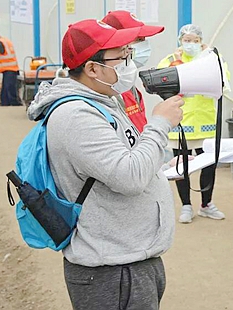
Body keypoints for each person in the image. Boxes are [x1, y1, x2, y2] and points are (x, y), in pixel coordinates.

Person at [25, 19, 184, 310]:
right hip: (112, 271)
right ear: (92, 68)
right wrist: (160, 123)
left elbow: (124, 160)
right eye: (121, 56)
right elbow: (129, 177)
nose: (128, 62)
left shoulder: (102, 100)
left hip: (129, 260)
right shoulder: (76, 116)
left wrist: (159, 167)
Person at [157, 24, 230, 223]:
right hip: (181, 122)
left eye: (195, 41)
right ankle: (186, 205)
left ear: (201, 42)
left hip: (205, 123)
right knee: (181, 166)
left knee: (209, 165)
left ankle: (207, 204)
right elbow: (163, 83)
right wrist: (177, 64)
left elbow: (223, 79)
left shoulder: (209, 59)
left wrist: (208, 56)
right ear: (180, 41)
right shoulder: (170, 60)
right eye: (187, 40)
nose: (190, 44)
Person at [102, 10, 165, 132]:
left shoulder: (127, 84)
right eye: (139, 39)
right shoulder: (109, 90)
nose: (144, 45)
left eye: (144, 39)